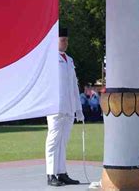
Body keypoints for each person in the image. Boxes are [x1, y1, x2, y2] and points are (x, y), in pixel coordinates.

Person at [45, 27, 84, 186]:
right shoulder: (50, 59)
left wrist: (78, 108)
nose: (66, 43)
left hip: (68, 107)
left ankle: (61, 172)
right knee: (53, 141)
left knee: (63, 141)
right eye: (63, 40)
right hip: (55, 107)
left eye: (67, 40)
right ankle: (51, 174)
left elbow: (74, 85)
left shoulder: (69, 60)